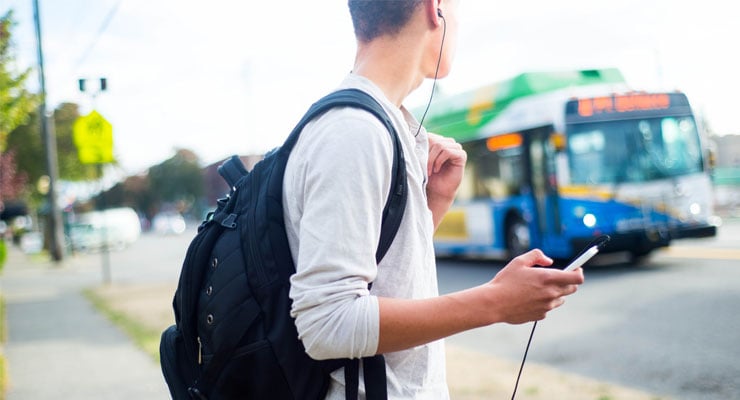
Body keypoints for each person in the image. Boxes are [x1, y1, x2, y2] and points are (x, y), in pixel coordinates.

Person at [282, 0, 585, 398]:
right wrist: (495, 301)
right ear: (434, 9)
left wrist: (433, 203)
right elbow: (327, 323)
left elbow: (383, 274)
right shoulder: (356, 132)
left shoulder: (381, 122)